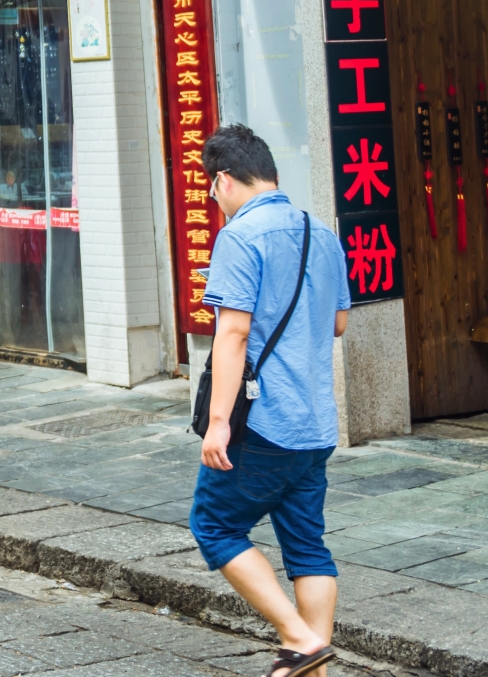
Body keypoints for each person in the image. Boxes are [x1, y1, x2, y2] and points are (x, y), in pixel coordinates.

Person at [190, 125, 351, 677]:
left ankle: (299, 640)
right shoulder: (322, 233)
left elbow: (232, 335)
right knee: (308, 547)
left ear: (223, 180)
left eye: (213, 190)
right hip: (316, 423)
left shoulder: (239, 236)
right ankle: (316, 666)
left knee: (213, 525)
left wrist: (217, 425)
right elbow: (337, 323)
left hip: (264, 424)